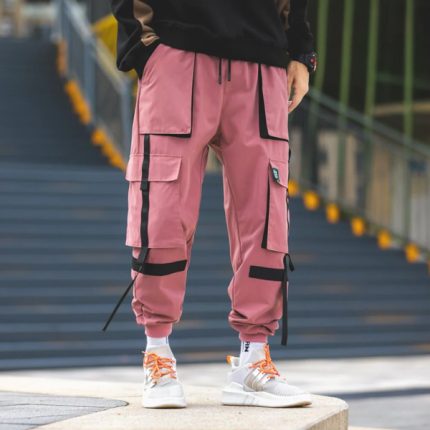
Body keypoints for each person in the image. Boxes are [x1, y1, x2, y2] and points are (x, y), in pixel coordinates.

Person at [104, 0, 317, 409]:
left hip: (262, 57)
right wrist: (142, 44)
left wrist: (300, 51)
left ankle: (253, 361)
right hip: (176, 51)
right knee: (163, 207)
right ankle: (157, 353)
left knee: (266, 214)